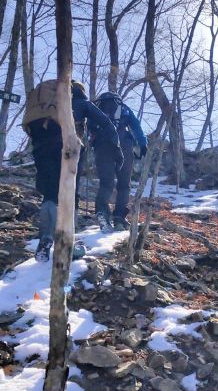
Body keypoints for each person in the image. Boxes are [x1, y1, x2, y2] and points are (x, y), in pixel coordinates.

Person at [22, 80, 122, 261]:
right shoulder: (81, 103)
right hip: (67, 147)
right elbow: (107, 123)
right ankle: (68, 242)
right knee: (70, 193)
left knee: (50, 194)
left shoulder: (49, 104)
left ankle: (45, 240)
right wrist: (117, 149)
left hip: (40, 145)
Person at [92, 91, 147, 231]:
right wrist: (142, 143)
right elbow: (135, 125)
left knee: (106, 183)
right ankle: (119, 219)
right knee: (124, 184)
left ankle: (102, 214)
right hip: (124, 145)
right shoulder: (124, 108)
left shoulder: (96, 108)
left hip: (102, 145)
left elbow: (89, 127)